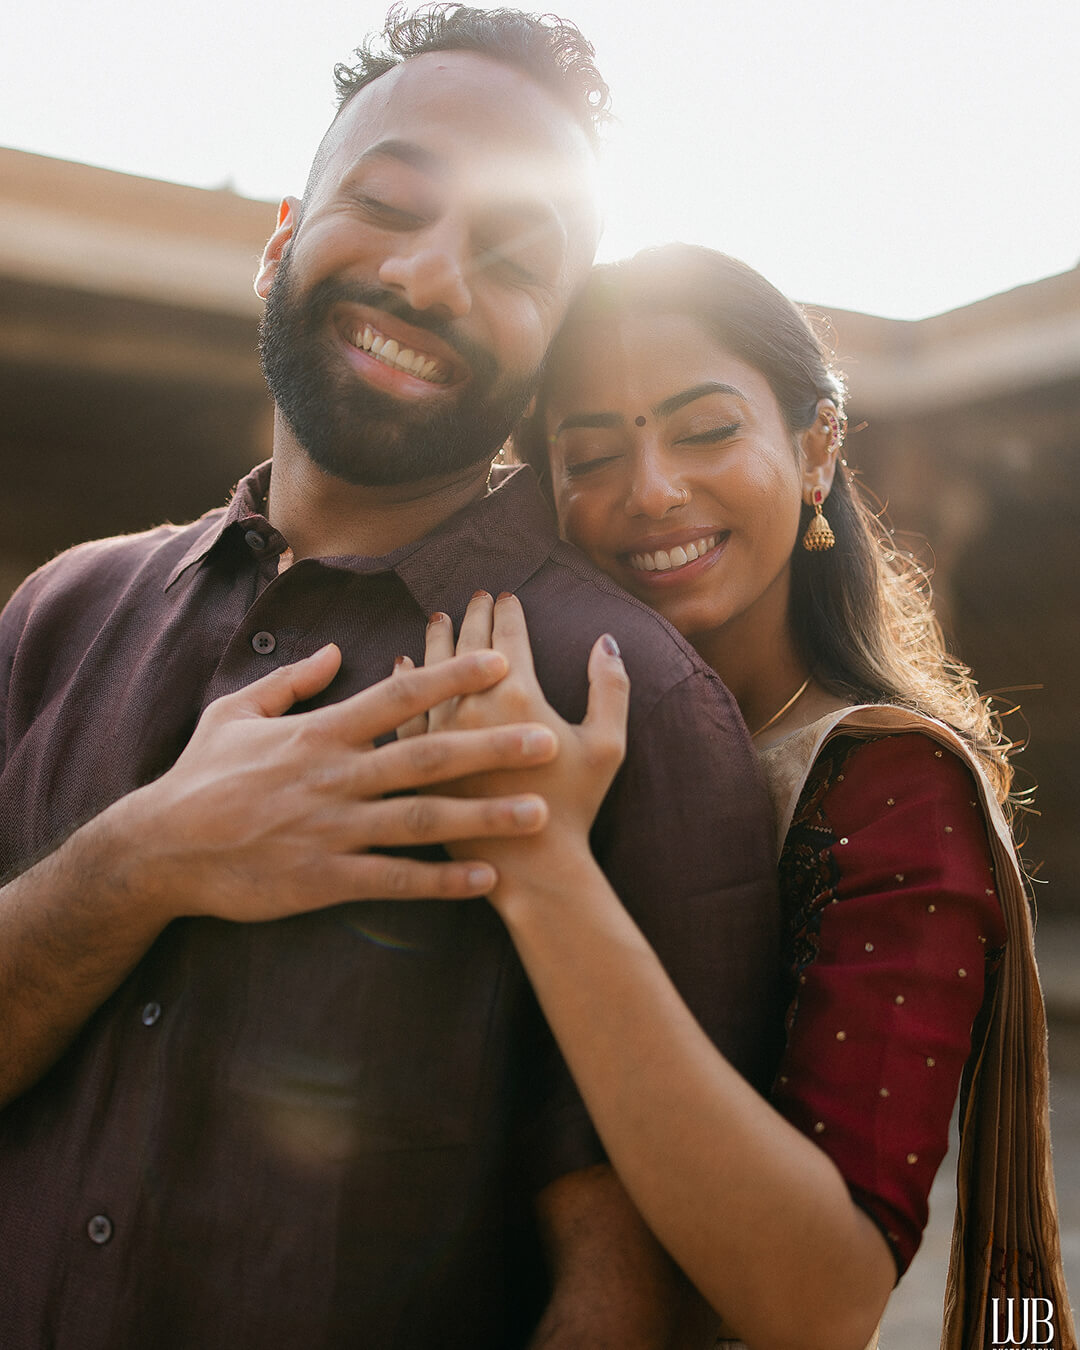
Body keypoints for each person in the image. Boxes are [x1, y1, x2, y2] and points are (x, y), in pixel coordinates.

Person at [0, 23, 780, 1350]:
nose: (429, 278)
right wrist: (137, 860)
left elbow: (635, 1297)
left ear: (548, 350)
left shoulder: (625, 698)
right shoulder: (58, 616)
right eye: (390, 205)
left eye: (514, 260)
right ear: (281, 241)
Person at [405, 245, 1075, 1350]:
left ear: (816, 449)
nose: (652, 491)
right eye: (591, 454)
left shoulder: (891, 786)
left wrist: (542, 864)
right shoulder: (522, 714)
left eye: (707, 430)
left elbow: (820, 1301)